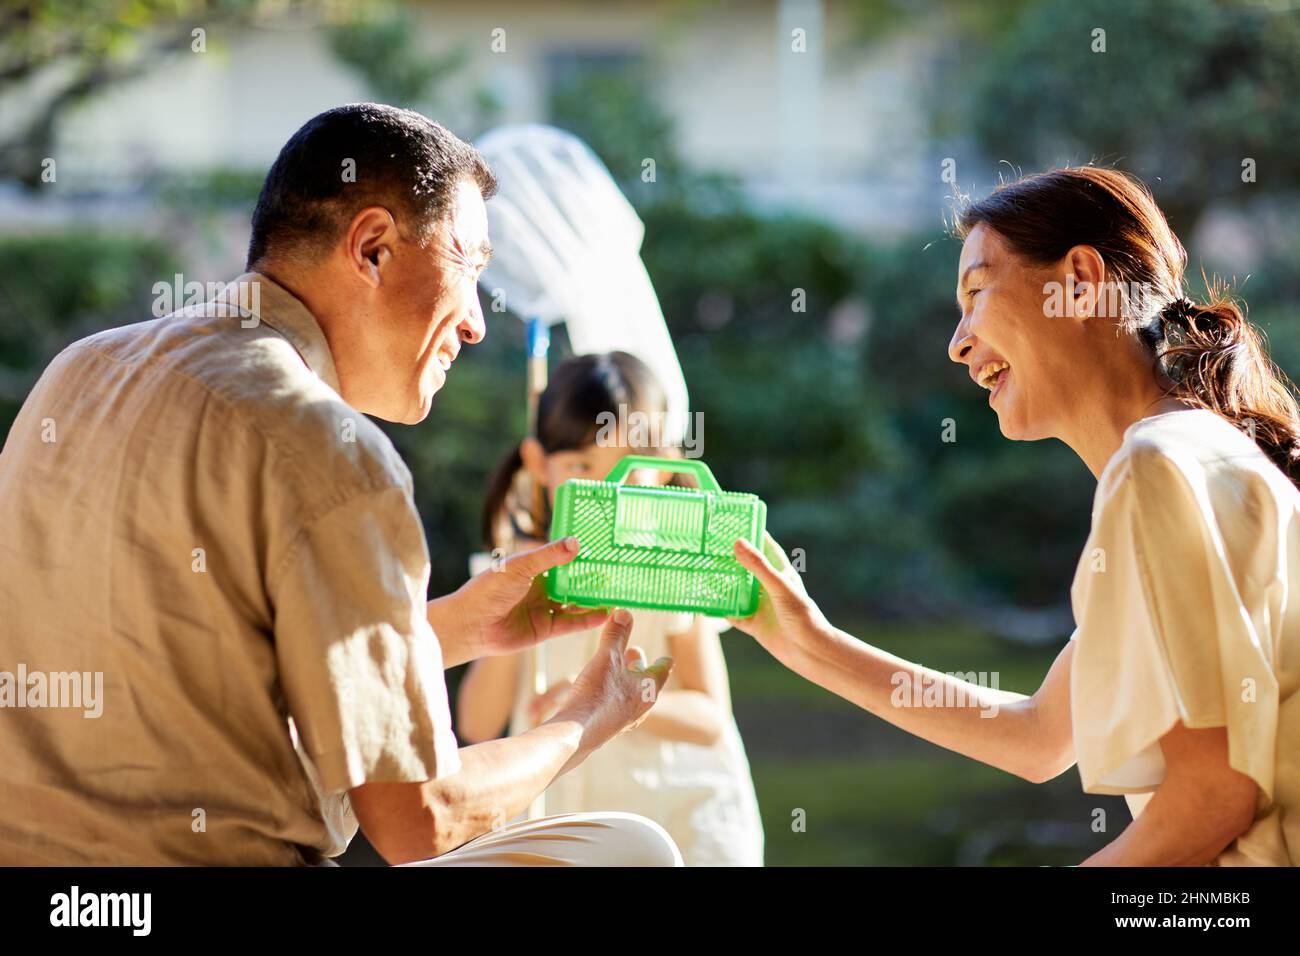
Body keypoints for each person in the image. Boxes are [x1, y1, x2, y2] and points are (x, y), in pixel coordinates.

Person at [0, 103, 680, 867]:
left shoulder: (81, 372)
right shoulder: (327, 445)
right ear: (374, 249)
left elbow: (195, 663)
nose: (476, 325)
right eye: (471, 269)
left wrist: (454, 626)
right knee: (628, 847)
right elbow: (422, 817)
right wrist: (592, 714)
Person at [728, 166, 1300, 866]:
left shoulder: (1157, 467)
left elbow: (1212, 797)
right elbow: (1039, 738)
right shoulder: (1194, 454)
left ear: (1081, 281)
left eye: (976, 292)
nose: (957, 342)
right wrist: (805, 641)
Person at [458, 351, 765, 865]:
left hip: (685, 828)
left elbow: (710, 715)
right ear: (538, 464)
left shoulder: (678, 565)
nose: (607, 490)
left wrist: (601, 706)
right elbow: (477, 722)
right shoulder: (509, 573)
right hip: (565, 837)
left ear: (667, 470)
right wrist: (510, 610)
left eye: (629, 467)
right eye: (581, 466)